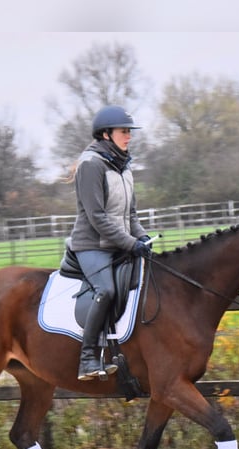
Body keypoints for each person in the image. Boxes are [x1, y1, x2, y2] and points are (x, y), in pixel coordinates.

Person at [67, 105, 152, 381]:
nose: (129, 137)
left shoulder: (125, 168)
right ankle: (87, 358)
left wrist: (142, 238)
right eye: (124, 132)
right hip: (91, 245)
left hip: (119, 243)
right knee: (106, 290)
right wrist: (130, 243)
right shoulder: (90, 165)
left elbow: (131, 215)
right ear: (106, 134)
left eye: (129, 132)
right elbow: (97, 217)